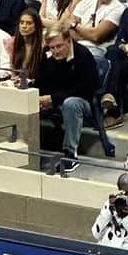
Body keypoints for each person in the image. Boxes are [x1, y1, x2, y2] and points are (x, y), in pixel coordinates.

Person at [37, 25, 99, 174]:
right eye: (52, 48)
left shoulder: (83, 55)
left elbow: (85, 89)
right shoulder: (49, 56)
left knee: (70, 103)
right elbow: (41, 84)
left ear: (68, 41)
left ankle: (70, 154)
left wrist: (52, 98)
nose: (56, 51)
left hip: (83, 102)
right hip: (55, 100)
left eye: (59, 46)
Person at [91, 172, 128, 246]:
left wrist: (126, 217)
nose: (126, 196)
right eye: (123, 192)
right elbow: (96, 234)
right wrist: (109, 210)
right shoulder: (116, 203)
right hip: (106, 245)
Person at [10, 6, 44, 86]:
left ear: (36, 26)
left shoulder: (43, 47)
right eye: (21, 22)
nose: (24, 26)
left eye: (29, 23)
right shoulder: (11, 44)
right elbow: (12, 71)